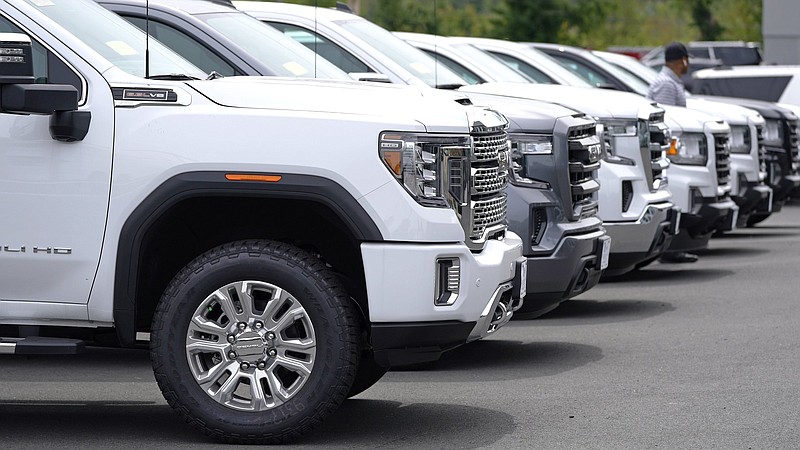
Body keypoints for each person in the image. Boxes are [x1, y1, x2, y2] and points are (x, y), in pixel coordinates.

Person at [649, 42, 698, 263]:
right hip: (669, 150)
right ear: (682, 61)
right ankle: (669, 249)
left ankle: (673, 248)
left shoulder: (669, 81)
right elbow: (667, 119)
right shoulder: (666, 85)